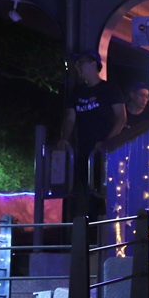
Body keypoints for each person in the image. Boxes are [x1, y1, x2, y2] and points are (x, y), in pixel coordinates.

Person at [57, 50, 126, 218]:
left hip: (105, 154)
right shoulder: (77, 92)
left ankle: (106, 232)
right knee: (87, 195)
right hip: (83, 151)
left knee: (106, 193)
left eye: (81, 63)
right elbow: (70, 118)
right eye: (77, 64)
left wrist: (106, 142)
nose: (78, 67)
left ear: (94, 64)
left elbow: (121, 118)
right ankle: (91, 235)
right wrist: (64, 140)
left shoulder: (109, 89)